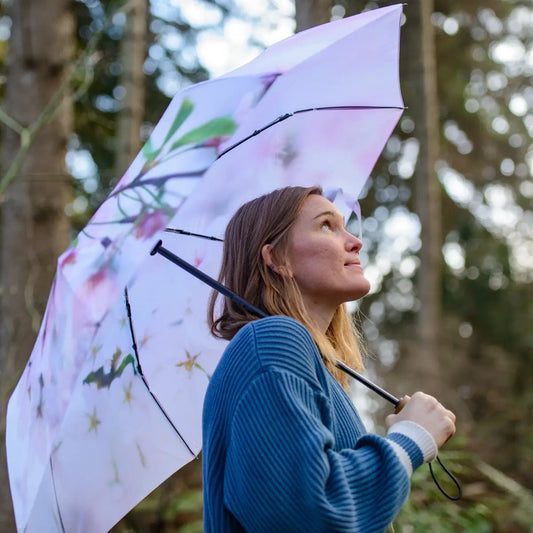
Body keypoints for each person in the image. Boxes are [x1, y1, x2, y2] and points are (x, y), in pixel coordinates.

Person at [202, 186, 456, 533]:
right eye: (326, 226)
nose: (355, 242)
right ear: (276, 259)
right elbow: (310, 514)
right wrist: (411, 439)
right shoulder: (272, 340)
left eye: (346, 226)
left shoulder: (309, 363)